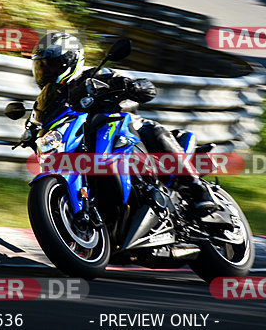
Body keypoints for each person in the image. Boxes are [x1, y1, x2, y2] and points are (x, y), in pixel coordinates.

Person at [30, 32, 215, 216]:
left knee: (154, 130)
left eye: (51, 67)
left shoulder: (95, 76)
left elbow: (127, 90)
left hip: (116, 128)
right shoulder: (53, 98)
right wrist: (31, 132)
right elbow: (44, 119)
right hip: (83, 141)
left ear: (69, 61)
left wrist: (133, 86)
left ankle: (197, 188)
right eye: (42, 68)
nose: (46, 73)